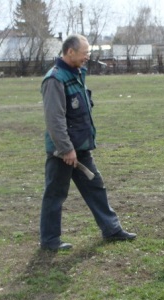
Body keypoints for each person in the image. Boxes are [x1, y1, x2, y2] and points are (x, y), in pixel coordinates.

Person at [40, 34, 136, 251]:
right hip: (62, 152)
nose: (87, 57)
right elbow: (54, 119)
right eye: (85, 53)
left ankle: (111, 229)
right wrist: (66, 149)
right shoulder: (55, 79)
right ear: (70, 52)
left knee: (95, 187)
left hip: (80, 147)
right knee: (55, 194)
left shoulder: (76, 74)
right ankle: (49, 240)